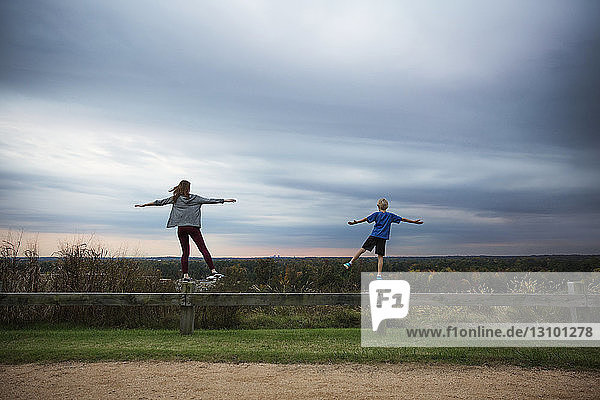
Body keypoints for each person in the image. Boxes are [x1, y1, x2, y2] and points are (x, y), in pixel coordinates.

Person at [135, 180, 236, 281]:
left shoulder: (175, 199)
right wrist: (225, 200)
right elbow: (210, 200)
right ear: (188, 188)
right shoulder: (195, 198)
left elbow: (159, 202)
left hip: (181, 228)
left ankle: (185, 275)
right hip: (193, 227)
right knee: (203, 249)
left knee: (185, 252)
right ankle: (213, 271)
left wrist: (144, 205)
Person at [343, 198, 423, 279]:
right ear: (387, 206)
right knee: (380, 257)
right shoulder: (390, 216)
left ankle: (350, 262)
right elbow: (403, 219)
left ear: (378, 206)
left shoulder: (376, 214)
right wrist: (414, 222)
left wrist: (356, 222)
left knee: (363, 249)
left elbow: (365, 219)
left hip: (374, 235)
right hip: (382, 238)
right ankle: (379, 275)